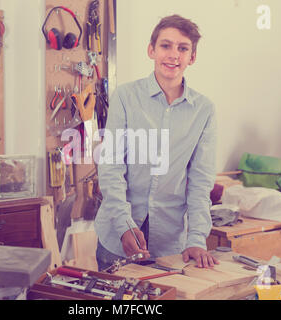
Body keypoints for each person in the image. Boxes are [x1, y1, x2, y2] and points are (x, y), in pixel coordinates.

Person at [94, 14, 219, 271]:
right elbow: (111, 166)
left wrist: (196, 238)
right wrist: (122, 224)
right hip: (117, 236)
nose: (173, 55)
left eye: (183, 48)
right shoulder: (126, 97)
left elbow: (200, 181)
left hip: (170, 245)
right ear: (151, 50)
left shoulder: (204, 110)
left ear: (192, 57)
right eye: (166, 45)